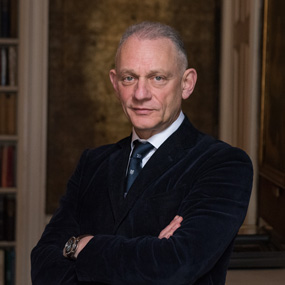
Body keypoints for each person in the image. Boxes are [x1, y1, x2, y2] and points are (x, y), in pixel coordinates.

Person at [31, 21, 253, 284]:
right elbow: (43, 263)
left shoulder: (224, 164)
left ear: (187, 83)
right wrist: (148, 250)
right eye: (129, 78)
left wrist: (81, 245)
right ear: (115, 83)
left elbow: (177, 264)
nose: (140, 94)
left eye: (157, 78)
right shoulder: (92, 163)